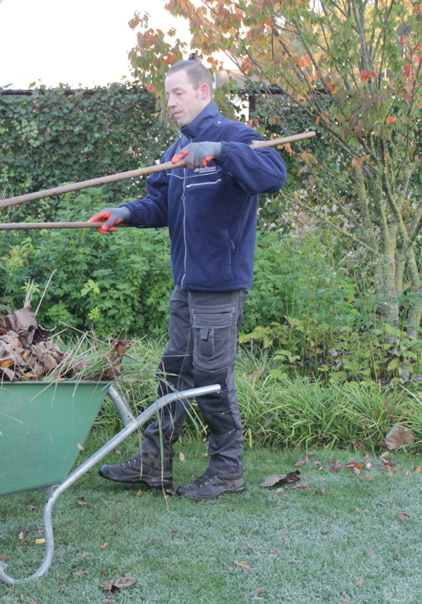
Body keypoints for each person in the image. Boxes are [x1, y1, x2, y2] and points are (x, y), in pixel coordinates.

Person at [89, 59, 287, 501]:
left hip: (220, 285)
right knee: (173, 372)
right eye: (168, 93)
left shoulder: (236, 136)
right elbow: (159, 205)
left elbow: (274, 174)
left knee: (213, 378)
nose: (171, 101)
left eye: (178, 92)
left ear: (203, 91)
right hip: (186, 284)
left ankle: (228, 471)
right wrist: (126, 213)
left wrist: (220, 151)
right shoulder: (176, 149)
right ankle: (153, 464)